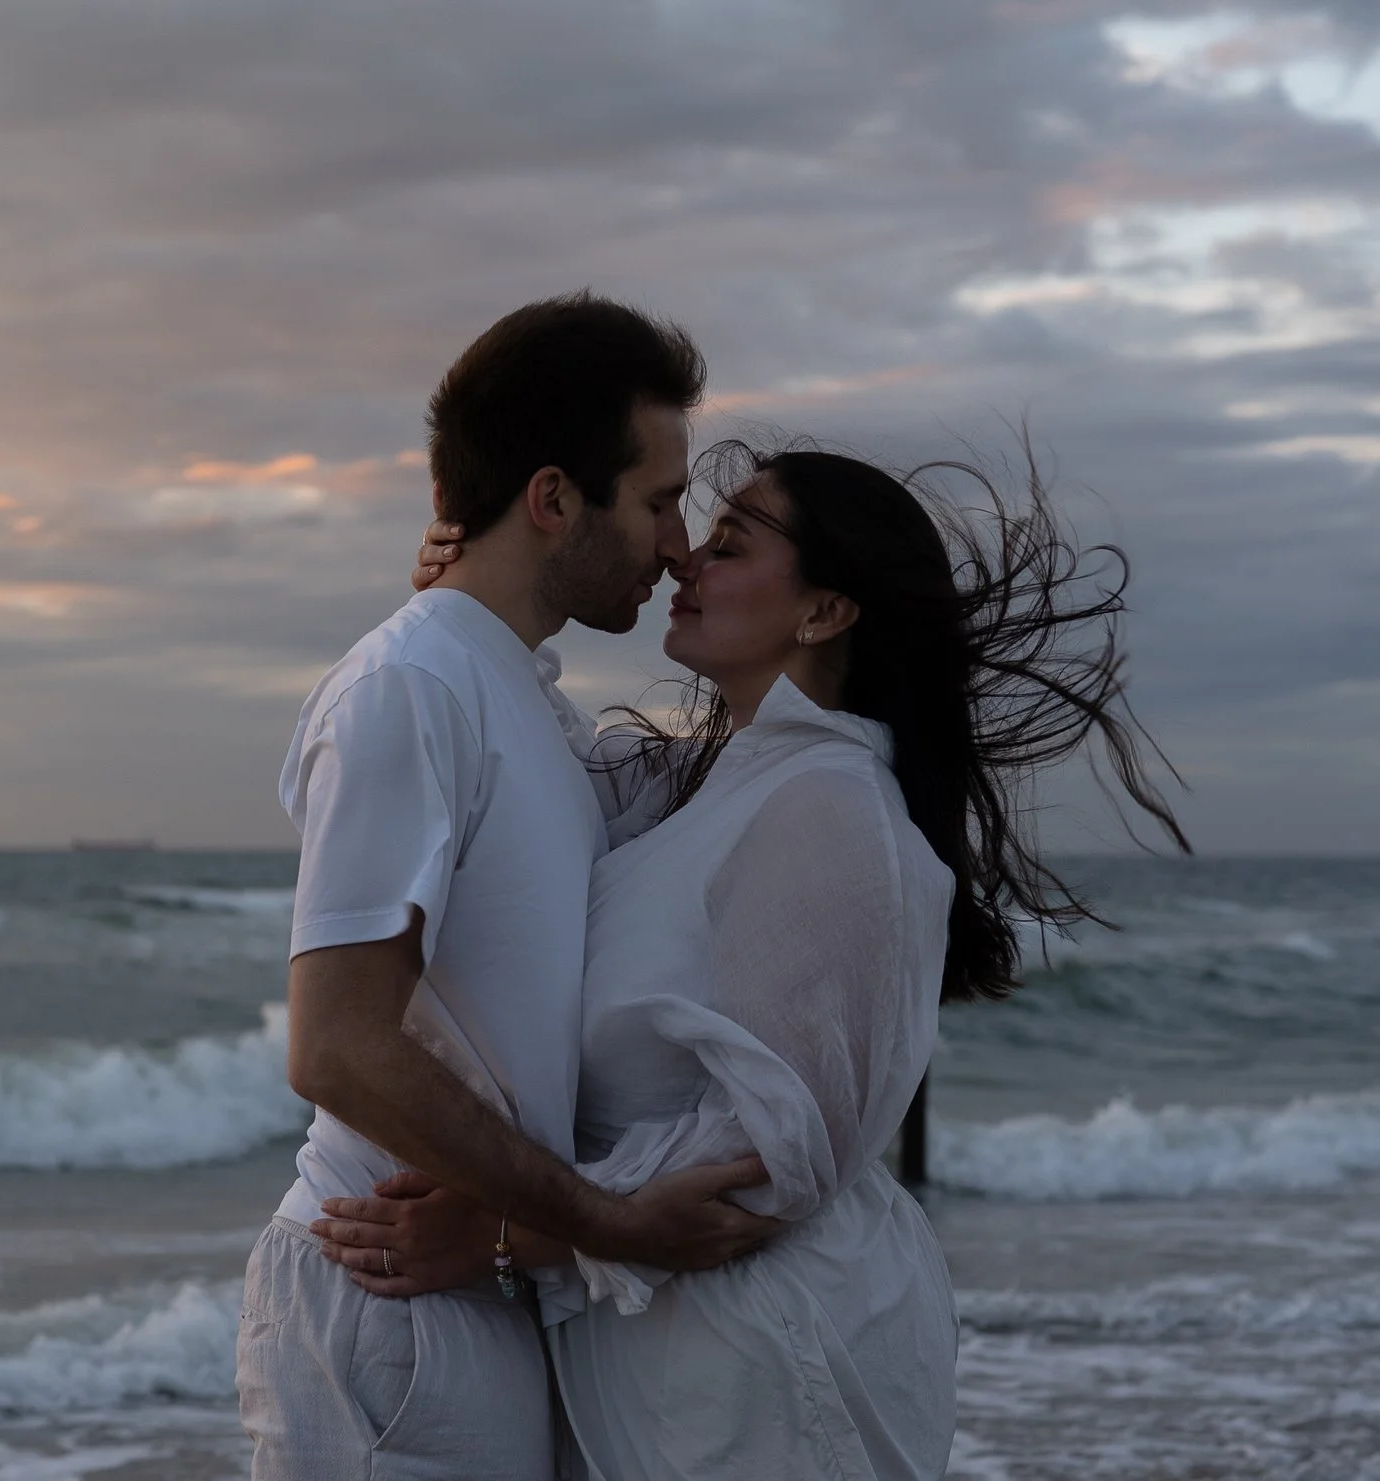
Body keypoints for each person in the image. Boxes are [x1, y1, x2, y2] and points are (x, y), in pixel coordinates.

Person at [316, 439, 1188, 1477]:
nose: (686, 559)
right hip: (675, 1341)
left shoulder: (827, 805)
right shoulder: (708, 782)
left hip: (767, 1354)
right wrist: (480, 606)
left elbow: (775, 1149)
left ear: (823, 611)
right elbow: (532, 762)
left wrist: (508, 1233)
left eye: (728, 545)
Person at [238, 292, 784, 1481]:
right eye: (654, 501)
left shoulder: (521, 702)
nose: (679, 542)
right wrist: (605, 1222)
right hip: (384, 1283)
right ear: (551, 499)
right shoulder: (411, 687)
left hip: (471, 1278)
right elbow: (334, 1045)